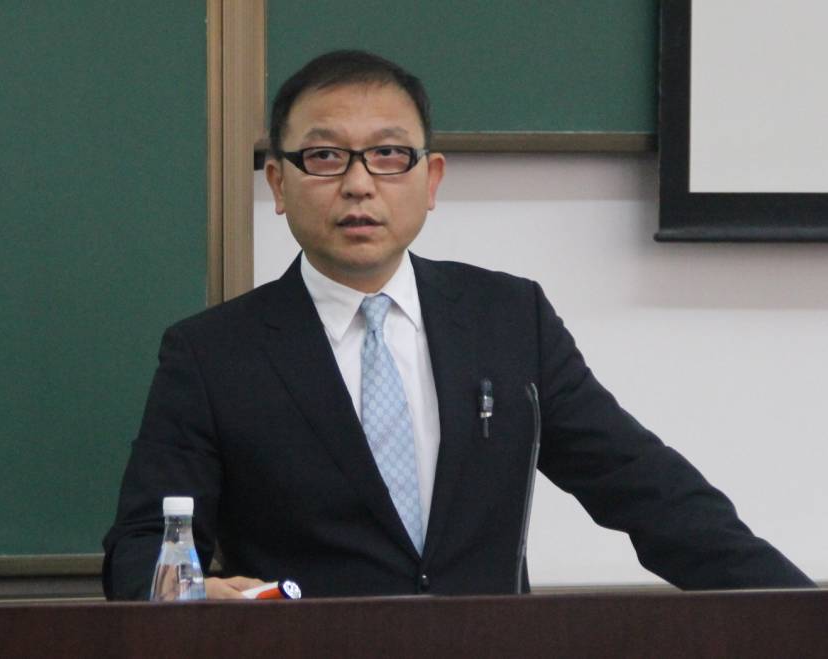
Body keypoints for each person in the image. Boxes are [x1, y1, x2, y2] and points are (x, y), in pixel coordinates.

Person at [103, 50, 813, 600]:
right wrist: (190, 594)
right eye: (325, 156)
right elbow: (140, 550)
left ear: (432, 178)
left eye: (389, 155)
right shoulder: (212, 354)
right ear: (279, 183)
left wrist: (799, 611)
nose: (359, 183)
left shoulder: (509, 320)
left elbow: (648, 492)